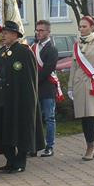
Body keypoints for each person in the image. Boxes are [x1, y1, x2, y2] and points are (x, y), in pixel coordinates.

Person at [0, 21, 42, 173]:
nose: (2, 36)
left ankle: (20, 162)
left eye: (6, 33)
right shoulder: (2, 52)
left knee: (20, 130)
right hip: (3, 99)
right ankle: (10, 160)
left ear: (15, 35)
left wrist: (29, 100)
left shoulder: (24, 52)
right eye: (2, 33)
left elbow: (30, 79)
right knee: (5, 131)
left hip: (19, 100)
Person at [68, 16, 94, 161]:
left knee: (90, 117)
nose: (81, 29)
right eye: (80, 26)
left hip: (93, 84)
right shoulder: (76, 45)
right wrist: (70, 86)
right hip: (79, 85)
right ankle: (88, 144)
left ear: (92, 27)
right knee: (83, 118)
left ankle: (91, 147)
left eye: (84, 26)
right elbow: (73, 66)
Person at [33, 19, 60, 157]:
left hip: (47, 87)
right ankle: (34, 146)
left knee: (49, 118)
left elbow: (48, 68)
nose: (38, 33)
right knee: (34, 118)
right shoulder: (34, 47)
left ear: (48, 32)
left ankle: (49, 146)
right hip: (34, 88)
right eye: (37, 30)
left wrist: (34, 80)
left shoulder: (52, 49)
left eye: (41, 30)